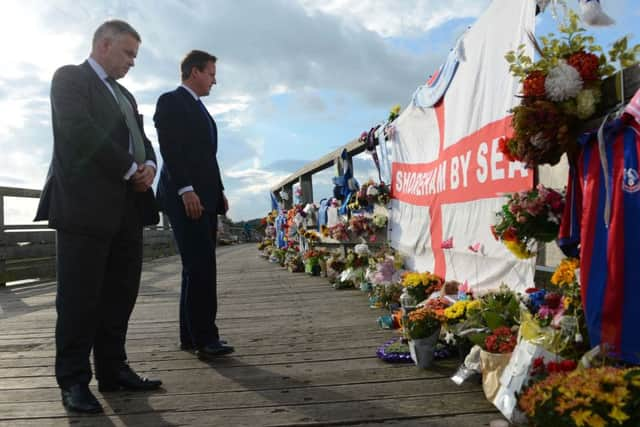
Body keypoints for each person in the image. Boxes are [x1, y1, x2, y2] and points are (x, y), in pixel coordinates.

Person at [35, 19, 162, 414]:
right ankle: (73, 381)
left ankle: (113, 369)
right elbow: (79, 129)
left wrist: (151, 167)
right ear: (104, 45)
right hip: (84, 206)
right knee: (78, 299)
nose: (132, 62)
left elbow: (143, 141)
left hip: (127, 207)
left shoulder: (125, 94)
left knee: (120, 294)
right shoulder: (70, 79)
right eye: (128, 53)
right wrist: (130, 168)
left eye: (135, 56)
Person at [154, 50, 234, 360]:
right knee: (200, 266)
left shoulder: (201, 109)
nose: (215, 80)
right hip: (186, 196)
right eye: (211, 73)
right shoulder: (171, 101)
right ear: (194, 72)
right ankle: (206, 338)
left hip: (205, 195)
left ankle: (190, 335)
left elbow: (206, 156)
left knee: (196, 266)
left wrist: (220, 190)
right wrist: (186, 189)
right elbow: (170, 148)